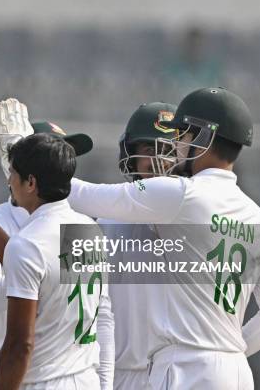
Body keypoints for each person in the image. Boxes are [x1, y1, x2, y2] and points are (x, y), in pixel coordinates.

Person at [66, 88, 260, 389]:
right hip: (233, 371)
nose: (173, 147)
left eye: (181, 136)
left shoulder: (182, 196)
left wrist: (33, 160)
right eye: (150, 149)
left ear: (204, 139)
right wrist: (229, 350)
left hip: (180, 368)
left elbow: (82, 195)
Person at [0, 100, 105, 390]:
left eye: (13, 173)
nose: (8, 179)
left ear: (31, 183)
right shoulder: (90, 229)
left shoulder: (29, 244)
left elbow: (19, 346)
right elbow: (31, 263)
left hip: (44, 381)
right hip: (84, 378)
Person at [104, 102, 178, 390]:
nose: (159, 161)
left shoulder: (200, 219)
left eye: (168, 151)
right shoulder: (103, 221)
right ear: (130, 159)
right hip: (117, 375)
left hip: (180, 374)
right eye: (149, 150)